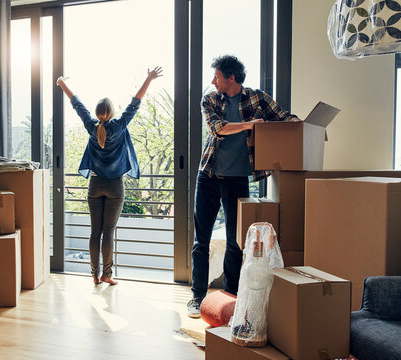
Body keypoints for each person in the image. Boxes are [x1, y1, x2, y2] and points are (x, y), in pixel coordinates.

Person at [187, 55, 298, 318]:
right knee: (200, 242)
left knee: (236, 242)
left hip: (238, 180)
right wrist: (250, 125)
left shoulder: (258, 98)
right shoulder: (211, 99)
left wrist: (301, 126)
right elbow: (217, 128)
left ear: (231, 78)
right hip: (209, 176)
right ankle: (197, 297)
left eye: (217, 76)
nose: (213, 81)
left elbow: (284, 118)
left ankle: (232, 296)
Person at [57, 67, 163, 285]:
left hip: (94, 185)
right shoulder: (119, 125)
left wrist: (61, 82)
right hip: (115, 186)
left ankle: (94, 275)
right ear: (112, 112)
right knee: (108, 232)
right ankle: (107, 274)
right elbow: (136, 101)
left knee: (95, 232)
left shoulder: (90, 126)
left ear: (97, 113)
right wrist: (149, 78)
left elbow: (76, 103)